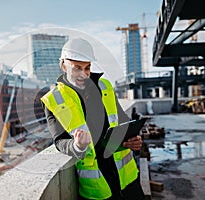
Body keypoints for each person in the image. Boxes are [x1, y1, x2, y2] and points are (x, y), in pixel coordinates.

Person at [41, 38, 144, 200]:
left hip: (126, 176)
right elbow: (59, 141)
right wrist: (76, 146)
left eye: (87, 68)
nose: (84, 74)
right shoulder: (54, 100)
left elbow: (122, 121)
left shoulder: (105, 86)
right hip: (96, 184)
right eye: (77, 68)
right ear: (63, 66)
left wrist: (133, 140)